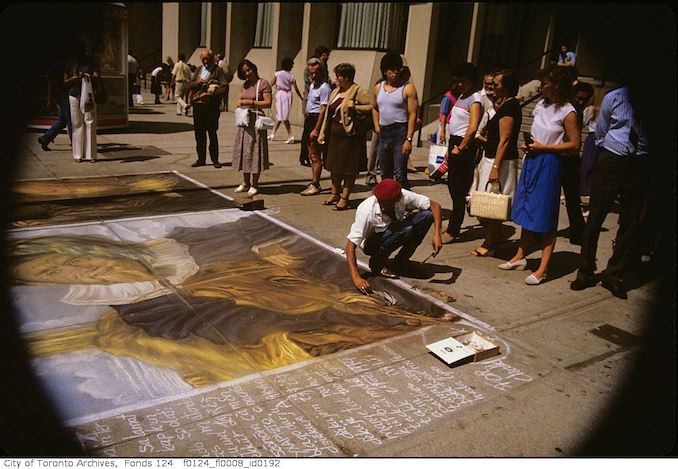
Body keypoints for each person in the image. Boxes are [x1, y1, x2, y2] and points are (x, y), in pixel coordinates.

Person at [500, 67, 580, 285]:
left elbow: (574, 144)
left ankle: (543, 269)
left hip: (550, 163)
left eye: (545, 82)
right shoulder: (541, 105)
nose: (541, 86)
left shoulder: (568, 111)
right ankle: (519, 256)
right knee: (527, 209)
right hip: (532, 160)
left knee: (545, 215)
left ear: (556, 85)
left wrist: (544, 147)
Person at [570, 85, 651, 299]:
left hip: (641, 161)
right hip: (612, 158)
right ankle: (585, 271)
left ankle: (614, 274)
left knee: (630, 221)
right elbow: (602, 130)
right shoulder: (615, 97)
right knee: (595, 217)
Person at [346, 178, 443, 292]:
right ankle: (377, 262)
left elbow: (435, 206)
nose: (384, 206)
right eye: (382, 203)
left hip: (396, 230)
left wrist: (437, 234)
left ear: (396, 199)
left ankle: (402, 261)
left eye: (388, 203)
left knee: (426, 216)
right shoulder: (366, 210)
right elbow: (350, 246)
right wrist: (357, 277)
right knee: (407, 229)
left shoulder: (403, 195)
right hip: (372, 243)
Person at [470, 70, 521, 257]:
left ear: (506, 87)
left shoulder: (510, 107)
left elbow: (505, 140)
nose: (493, 87)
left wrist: (495, 167)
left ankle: (489, 242)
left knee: (493, 204)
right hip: (492, 158)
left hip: (500, 162)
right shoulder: (505, 105)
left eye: (497, 84)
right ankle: (496, 236)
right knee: (492, 202)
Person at [317, 63, 372, 210]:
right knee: (334, 166)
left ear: (346, 77)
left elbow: (372, 106)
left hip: (350, 136)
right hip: (334, 134)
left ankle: (344, 197)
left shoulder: (358, 91)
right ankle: (335, 193)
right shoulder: (335, 91)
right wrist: (322, 132)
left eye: (338, 76)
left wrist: (355, 106)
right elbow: (328, 114)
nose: (336, 78)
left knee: (348, 169)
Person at [441, 62, 483, 244]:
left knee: (459, 189)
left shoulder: (474, 99)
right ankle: (454, 223)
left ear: (472, 81)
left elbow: (473, 128)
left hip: (463, 146)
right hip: (455, 143)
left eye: (462, 81)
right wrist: (450, 150)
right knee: (452, 187)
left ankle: (454, 229)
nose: (459, 84)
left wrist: (461, 147)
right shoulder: (462, 97)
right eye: (457, 81)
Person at [372, 52, 418, 190]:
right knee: (385, 173)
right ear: (385, 71)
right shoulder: (378, 87)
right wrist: (376, 126)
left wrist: (408, 139)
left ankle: (404, 204)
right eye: (392, 69)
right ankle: (387, 204)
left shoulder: (407, 88)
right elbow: (374, 108)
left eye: (397, 68)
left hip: (400, 132)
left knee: (400, 174)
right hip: (384, 132)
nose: (395, 72)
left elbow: (413, 114)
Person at [232, 59, 272, 196]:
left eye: (249, 70)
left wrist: (251, 102)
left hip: (255, 122)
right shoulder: (245, 85)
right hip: (245, 122)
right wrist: (240, 102)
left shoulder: (263, 83)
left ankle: (255, 183)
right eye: (244, 72)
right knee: (245, 152)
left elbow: (268, 103)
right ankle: (245, 182)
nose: (248, 73)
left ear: (253, 68)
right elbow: (241, 98)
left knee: (255, 152)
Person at [188, 48, 229, 169]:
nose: (205, 61)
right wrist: (198, 83)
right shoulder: (199, 70)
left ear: (212, 58)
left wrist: (211, 94)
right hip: (199, 105)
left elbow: (224, 86)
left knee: (212, 132)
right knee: (199, 134)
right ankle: (201, 159)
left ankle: (215, 159)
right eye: (203, 59)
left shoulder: (218, 71)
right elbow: (190, 84)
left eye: (208, 59)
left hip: (211, 106)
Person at [64, 41, 102, 163]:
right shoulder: (70, 63)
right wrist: (74, 78)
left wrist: (86, 75)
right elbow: (64, 81)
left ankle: (91, 155)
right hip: (74, 94)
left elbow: (97, 75)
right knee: (77, 123)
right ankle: (78, 155)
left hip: (89, 95)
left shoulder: (91, 61)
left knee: (89, 122)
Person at [299, 58, 331, 195]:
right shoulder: (312, 86)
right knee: (312, 155)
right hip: (309, 119)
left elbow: (323, 110)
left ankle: (315, 183)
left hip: (317, 120)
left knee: (316, 155)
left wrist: (317, 129)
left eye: (316, 73)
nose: (313, 76)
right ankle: (314, 180)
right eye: (311, 73)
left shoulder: (325, 88)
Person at [38, 56, 71, 151]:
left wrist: (50, 98)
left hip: (59, 94)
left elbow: (51, 82)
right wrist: (50, 98)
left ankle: (45, 139)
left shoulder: (58, 62)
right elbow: (52, 82)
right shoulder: (63, 63)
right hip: (62, 94)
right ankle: (76, 144)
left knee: (62, 120)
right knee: (70, 120)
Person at [269, 57, 303, 143]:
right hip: (288, 95)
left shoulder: (277, 74)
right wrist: (301, 97)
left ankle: (290, 135)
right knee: (281, 115)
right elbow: (296, 89)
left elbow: (271, 83)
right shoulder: (291, 76)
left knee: (283, 116)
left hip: (280, 94)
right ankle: (273, 133)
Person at [573, 82, 598, 199]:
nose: (582, 101)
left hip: (594, 137)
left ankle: (585, 191)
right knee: (587, 164)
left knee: (588, 164)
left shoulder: (591, 109)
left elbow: (581, 124)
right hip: (594, 138)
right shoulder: (591, 109)